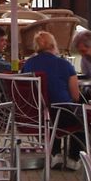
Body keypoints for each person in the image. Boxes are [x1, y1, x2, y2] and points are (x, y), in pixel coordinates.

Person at [21, 30, 83, 170]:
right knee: (83, 118)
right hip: (61, 115)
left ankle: (55, 154)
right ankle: (73, 158)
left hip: (34, 116)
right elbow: (75, 96)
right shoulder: (64, 64)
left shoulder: (28, 64)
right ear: (54, 45)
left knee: (48, 112)